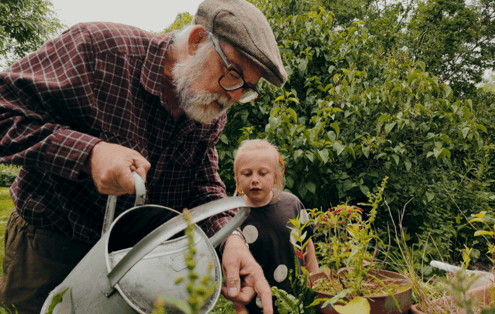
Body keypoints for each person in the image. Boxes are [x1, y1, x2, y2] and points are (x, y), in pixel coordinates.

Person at [0, 0, 289, 312]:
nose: (234, 95)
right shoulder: (99, 50)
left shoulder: (208, 107)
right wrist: (90, 153)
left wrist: (231, 239)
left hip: (135, 261)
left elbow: (201, 184)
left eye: (246, 88)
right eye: (233, 73)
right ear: (196, 42)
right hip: (49, 246)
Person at [230, 139, 319, 313]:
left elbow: (308, 246)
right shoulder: (234, 216)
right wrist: (240, 309)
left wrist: (315, 283)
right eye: (247, 174)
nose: (254, 180)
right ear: (237, 178)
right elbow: (232, 269)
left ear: (276, 176)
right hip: (256, 306)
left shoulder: (292, 204)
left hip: (298, 300)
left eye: (263, 173)